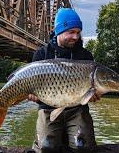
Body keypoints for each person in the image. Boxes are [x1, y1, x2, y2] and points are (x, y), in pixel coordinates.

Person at [29, 8, 101, 153]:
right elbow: (33, 91)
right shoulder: (41, 54)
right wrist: (32, 96)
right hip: (48, 108)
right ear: (59, 31)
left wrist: (92, 96)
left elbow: (89, 93)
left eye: (78, 32)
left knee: (84, 147)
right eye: (71, 32)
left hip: (77, 109)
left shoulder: (86, 56)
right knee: (46, 148)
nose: (76, 37)